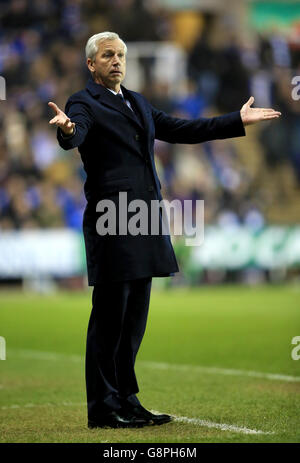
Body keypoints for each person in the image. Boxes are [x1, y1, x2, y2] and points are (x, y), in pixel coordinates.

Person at [48, 32, 281, 429]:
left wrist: (235, 121)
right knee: (110, 315)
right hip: (112, 217)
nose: (117, 61)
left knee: (135, 315)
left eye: (121, 54)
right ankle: (103, 406)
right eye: (108, 55)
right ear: (92, 64)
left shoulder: (137, 101)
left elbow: (182, 129)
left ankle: (127, 397)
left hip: (145, 217)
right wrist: (68, 131)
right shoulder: (83, 103)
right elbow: (75, 133)